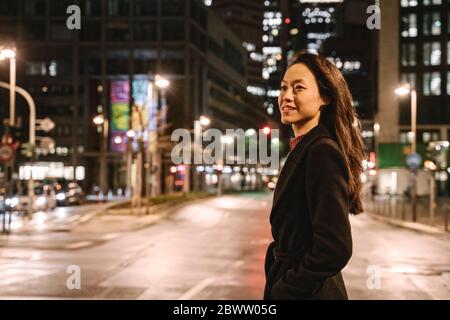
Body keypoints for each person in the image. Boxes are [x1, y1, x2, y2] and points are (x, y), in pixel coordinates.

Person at [264, 51, 365, 300]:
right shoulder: (305, 147)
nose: (286, 96)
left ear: (325, 97)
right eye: (283, 87)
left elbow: (335, 248)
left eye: (299, 88)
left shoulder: (321, 151)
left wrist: (286, 289)